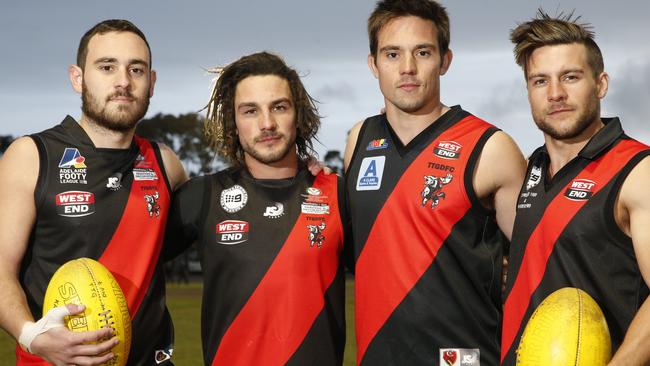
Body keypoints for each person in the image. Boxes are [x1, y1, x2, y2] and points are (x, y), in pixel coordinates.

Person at [344, 0, 526, 364]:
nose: (407, 68)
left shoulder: (490, 148)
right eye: (392, 54)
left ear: (445, 60)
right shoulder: (358, 140)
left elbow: (539, 257)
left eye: (422, 52)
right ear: (373, 64)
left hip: (464, 356)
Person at [0, 19, 187, 366]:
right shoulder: (31, 156)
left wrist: (302, 170)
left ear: (152, 82)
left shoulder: (165, 163)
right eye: (107, 67)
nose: (123, 82)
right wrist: (32, 336)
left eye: (137, 69)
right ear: (77, 78)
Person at [164, 52, 350, 365]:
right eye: (250, 111)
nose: (267, 123)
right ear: (233, 123)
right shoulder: (203, 196)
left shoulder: (338, 194)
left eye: (279, 107)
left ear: (298, 114)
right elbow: (134, 258)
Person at [501, 10, 650, 365]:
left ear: (600, 84)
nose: (555, 94)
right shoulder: (529, 169)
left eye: (570, 77)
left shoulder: (636, 170)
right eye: (540, 81)